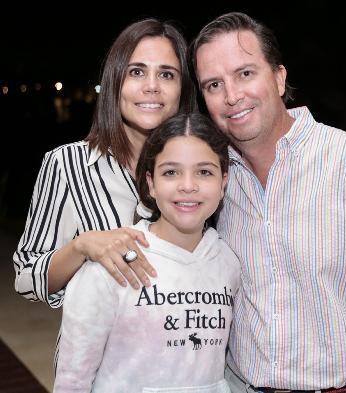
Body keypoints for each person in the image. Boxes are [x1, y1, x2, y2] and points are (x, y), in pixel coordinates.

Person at [131, 13, 346, 391]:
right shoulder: (214, 179)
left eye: (245, 73)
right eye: (214, 84)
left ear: (279, 78)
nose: (232, 96)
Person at [13, 18, 195, 308]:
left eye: (166, 74)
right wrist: (81, 247)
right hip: (100, 338)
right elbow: (26, 278)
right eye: (136, 72)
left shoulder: (203, 169)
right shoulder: (68, 164)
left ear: (182, 89)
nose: (152, 86)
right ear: (115, 82)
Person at [53, 112, 240, 392]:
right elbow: (72, 381)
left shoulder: (228, 262)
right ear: (151, 183)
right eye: (171, 172)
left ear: (223, 183)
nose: (188, 186)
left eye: (204, 172)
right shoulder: (111, 263)